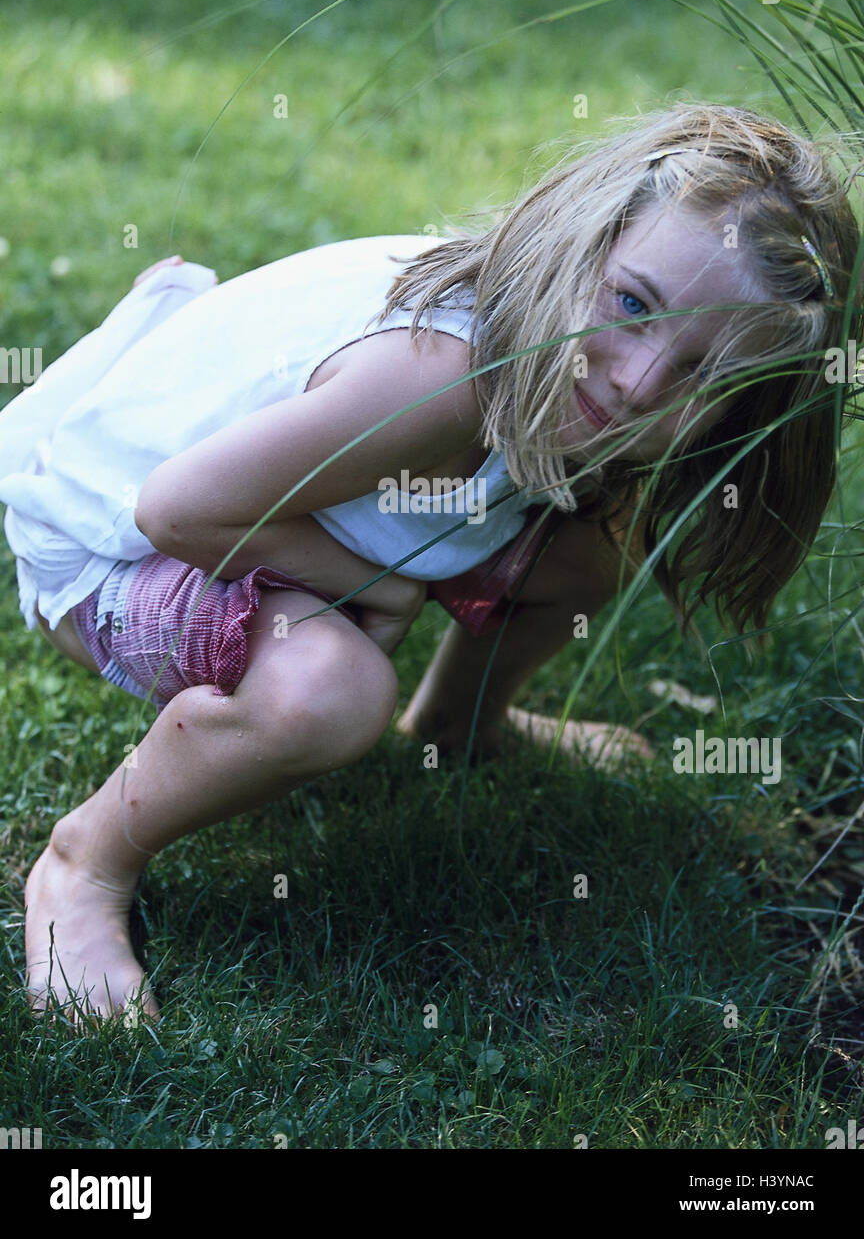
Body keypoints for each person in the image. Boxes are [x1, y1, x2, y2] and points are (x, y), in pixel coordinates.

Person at [2, 103, 858, 1023]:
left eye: (705, 373)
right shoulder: (437, 377)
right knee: (325, 691)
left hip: (261, 513)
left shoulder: (574, 365)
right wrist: (368, 587)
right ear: (580, 241)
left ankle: (458, 723)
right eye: (633, 305)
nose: (641, 382)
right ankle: (86, 862)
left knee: (596, 550)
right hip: (104, 552)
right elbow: (174, 509)